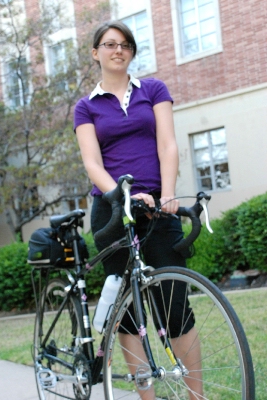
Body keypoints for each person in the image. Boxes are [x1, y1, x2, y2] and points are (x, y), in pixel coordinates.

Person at [74, 20, 202, 400]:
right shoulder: (86, 107)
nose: (119, 50)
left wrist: (167, 194)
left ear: (131, 52)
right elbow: (92, 163)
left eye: (125, 44)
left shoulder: (154, 90)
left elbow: (168, 144)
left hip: (158, 210)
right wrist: (122, 197)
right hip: (113, 213)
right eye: (109, 44)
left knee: (176, 306)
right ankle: (146, 397)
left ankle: (198, 396)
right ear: (96, 53)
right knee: (127, 314)